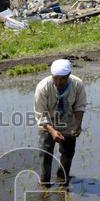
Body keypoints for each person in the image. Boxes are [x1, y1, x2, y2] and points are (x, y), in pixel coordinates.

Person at [33, 59, 86, 188]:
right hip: (47, 122)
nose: (58, 82)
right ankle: (44, 182)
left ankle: (62, 179)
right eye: (55, 78)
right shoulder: (43, 87)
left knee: (68, 153)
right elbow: (41, 114)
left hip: (68, 121)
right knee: (45, 152)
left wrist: (77, 124)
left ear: (68, 76)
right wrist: (52, 131)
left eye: (62, 79)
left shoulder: (77, 85)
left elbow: (79, 107)